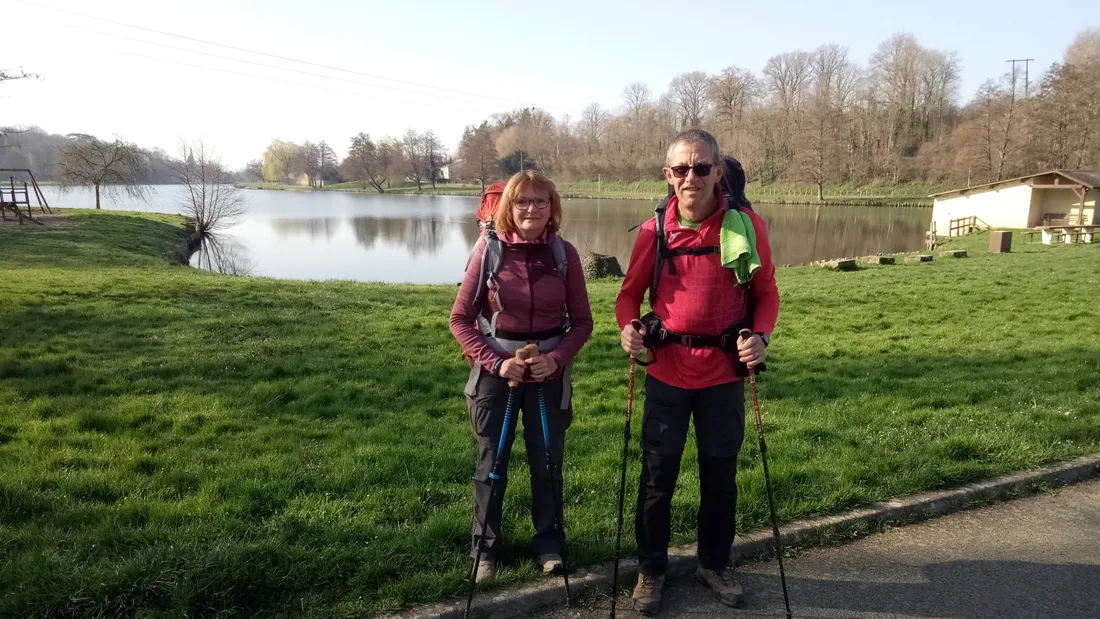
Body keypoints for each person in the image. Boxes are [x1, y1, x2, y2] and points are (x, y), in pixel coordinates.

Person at [616, 129, 780, 615]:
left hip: (724, 375)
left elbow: (766, 292)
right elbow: (629, 295)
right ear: (668, 175)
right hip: (667, 372)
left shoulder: (745, 225)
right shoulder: (655, 230)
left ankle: (714, 564)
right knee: (656, 478)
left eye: (702, 167)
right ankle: (651, 570)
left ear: (718, 171)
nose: (692, 177)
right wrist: (629, 327)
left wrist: (762, 336)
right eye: (682, 169)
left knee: (720, 477)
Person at [449, 170, 593, 582]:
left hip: (548, 375)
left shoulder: (564, 255)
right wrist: (496, 362)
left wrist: (558, 358)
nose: (532, 209)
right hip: (497, 373)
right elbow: (460, 319)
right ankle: (486, 550)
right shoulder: (488, 251)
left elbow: (582, 322)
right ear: (509, 207)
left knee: (547, 462)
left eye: (541, 202)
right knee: (491, 462)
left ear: (553, 208)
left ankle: (549, 544)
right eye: (522, 202)